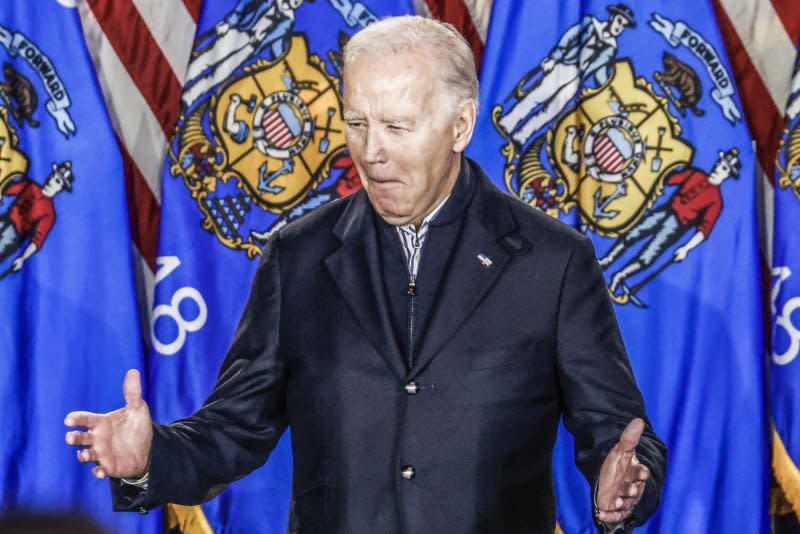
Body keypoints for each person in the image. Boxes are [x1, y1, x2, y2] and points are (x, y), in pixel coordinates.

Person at [65, 16, 666, 534]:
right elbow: (233, 429)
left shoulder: (551, 261)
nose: (371, 150)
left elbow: (616, 433)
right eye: (357, 122)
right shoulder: (297, 257)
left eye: (398, 127)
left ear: (460, 125)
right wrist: (150, 456)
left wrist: (627, 482)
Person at [599, 148, 740, 294]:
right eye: (719, 163)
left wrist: (685, 248)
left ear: (728, 175)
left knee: (648, 256)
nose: (717, 167)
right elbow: (668, 180)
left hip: (676, 226)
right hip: (665, 210)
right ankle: (607, 260)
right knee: (632, 234)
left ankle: (618, 277)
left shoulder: (716, 201)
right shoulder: (695, 174)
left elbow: (704, 231)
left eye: (723, 168)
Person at [498, 4, 635, 146]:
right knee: (537, 95)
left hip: (576, 81)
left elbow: (599, 70)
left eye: (623, 26)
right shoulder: (590, 24)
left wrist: (605, 89)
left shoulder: (611, 48)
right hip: (564, 66)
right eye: (619, 21)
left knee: (552, 111)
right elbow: (568, 39)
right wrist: (554, 58)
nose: (619, 28)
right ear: (612, 17)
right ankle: (508, 122)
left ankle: (521, 136)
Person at [0, 161, 73, 273]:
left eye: (57, 181)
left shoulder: (49, 213)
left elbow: (37, 241)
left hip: (13, 235)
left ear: (60, 188)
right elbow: (7, 190)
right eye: (53, 175)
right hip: (4, 219)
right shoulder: (30, 185)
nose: (52, 180)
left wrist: (22, 259)